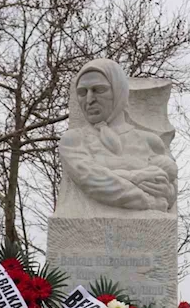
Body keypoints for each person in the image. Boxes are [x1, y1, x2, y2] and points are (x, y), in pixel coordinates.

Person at [55, 59, 177, 217]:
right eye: (82, 92)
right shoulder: (73, 140)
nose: (89, 99)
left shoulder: (151, 142)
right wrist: (147, 199)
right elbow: (94, 180)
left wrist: (167, 191)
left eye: (99, 90)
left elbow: (168, 189)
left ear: (119, 91)